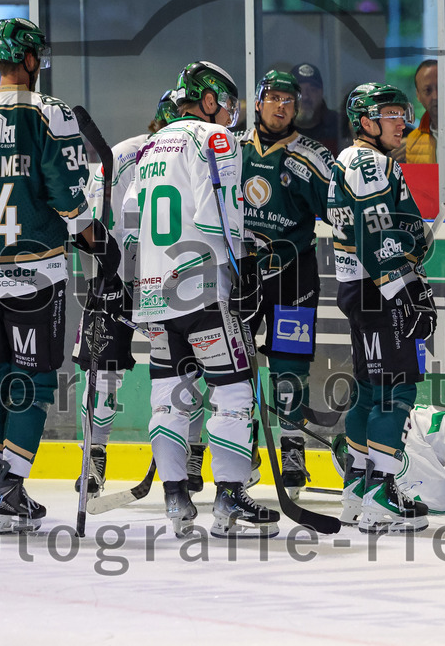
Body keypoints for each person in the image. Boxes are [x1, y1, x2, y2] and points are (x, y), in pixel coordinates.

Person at [0, 17, 118, 534]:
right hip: (34, 272)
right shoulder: (47, 111)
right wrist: (95, 239)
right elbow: (65, 189)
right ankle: (11, 487)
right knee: (32, 381)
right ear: (30, 59)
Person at [128, 60, 280, 538]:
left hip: (154, 293)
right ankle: (229, 498)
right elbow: (218, 216)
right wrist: (242, 269)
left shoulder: (151, 146)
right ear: (209, 100)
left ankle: (175, 498)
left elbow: (129, 221)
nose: (231, 115)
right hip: (202, 289)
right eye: (228, 104)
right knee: (233, 393)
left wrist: (134, 285)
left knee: (168, 397)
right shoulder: (213, 138)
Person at [327, 82, 434, 534]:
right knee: (396, 390)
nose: (401, 123)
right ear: (366, 121)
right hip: (381, 290)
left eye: (402, 114)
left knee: (370, 391)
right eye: (390, 114)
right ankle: (382, 494)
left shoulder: (350, 160)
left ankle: (357, 487)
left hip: (360, 288)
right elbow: (375, 234)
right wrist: (404, 290)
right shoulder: (370, 163)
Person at [72, 90, 184, 498]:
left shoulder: (194, 158)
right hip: (116, 279)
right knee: (102, 372)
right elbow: (83, 221)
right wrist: (102, 259)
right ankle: (94, 456)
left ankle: (188, 457)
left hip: (170, 285)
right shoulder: (122, 156)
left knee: (183, 372)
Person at [237, 69, 335, 499]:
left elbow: (340, 209)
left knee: (289, 367)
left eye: (288, 100)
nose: (281, 106)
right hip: (239, 272)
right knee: (234, 366)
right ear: (258, 102)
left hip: (293, 274)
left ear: (297, 108)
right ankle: (242, 450)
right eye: (273, 97)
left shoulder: (313, 156)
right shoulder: (231, 148)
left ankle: (292, 452)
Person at [291, 62, 346, 155]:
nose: (305, 97)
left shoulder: (339, 126)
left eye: (312, 90)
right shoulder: (279, 127)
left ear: (321, 93)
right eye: (299, 90)